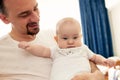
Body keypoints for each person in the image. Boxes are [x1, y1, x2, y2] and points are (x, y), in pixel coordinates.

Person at [19, 17, 115, 80]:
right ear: (56, 39)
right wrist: (30, 47)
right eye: (65, 38)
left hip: (81, 77)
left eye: (75, 37)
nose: (70, 42)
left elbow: (95, 57)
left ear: (80, 37)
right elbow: (43, 51)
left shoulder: (83, 48)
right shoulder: (56, 50)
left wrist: (104, 60)